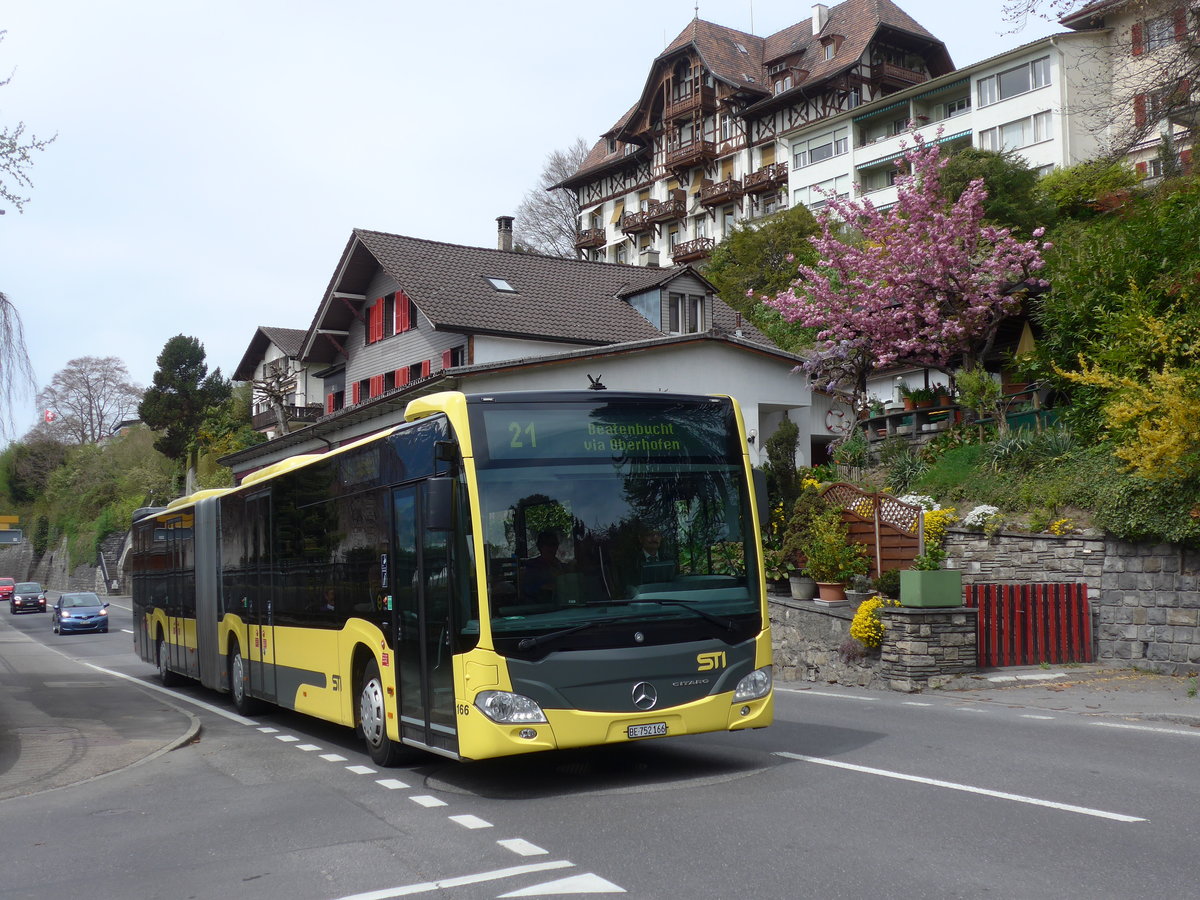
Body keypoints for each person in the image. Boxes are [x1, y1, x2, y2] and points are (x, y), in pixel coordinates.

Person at [521, 530, 566, 604]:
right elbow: (527, 588)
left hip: (561, 605)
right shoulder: (532, 565)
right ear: (540, 546)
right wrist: (542, 587)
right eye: (548, 544)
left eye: (554, 544)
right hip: (539, 607)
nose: (551, 548)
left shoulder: (562, 566)